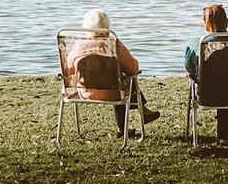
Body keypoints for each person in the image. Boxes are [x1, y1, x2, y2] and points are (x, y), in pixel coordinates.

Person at [66, 9, 160, 138]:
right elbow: (133, 69)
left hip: (85, 92)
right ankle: (128, 123)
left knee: (119, 81)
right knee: (124, 81)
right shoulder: (113, 45)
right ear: (107, 28)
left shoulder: (78, 45)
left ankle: (141, 114)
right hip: (113, 93)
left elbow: (68, 70)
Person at [185, 4, 228, 145]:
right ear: (226, 21)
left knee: (220, 86)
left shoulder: (198, 44)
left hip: (208, 95)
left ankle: (226, 137)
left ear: (206, 23)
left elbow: (190, 70)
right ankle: (227, 136)